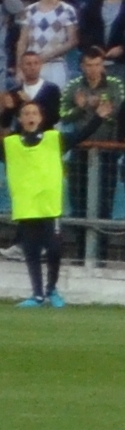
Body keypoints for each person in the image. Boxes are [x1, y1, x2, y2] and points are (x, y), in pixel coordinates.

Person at [7, 99, 62, 305]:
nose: (30, 117)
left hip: (49, 206)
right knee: (31, 252)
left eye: (34, 113)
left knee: (55, 250)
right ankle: (37, 294)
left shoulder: (53, 139)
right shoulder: (11, 144)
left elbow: (79, 136)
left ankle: (52, 289)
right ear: (20, 119)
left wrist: (99, 117)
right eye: (26, 113)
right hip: (27, 205)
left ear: (40, 118)